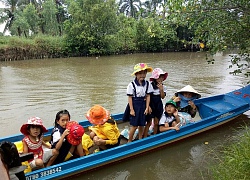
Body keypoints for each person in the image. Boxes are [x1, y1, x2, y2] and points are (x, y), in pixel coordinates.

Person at [122, 63, 153, 143]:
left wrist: (147, 107)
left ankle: (140, 138)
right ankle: (129, 141)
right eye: (140, 73)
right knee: (135, 125)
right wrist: (131, 109)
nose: (142, 75)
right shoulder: (131, 85)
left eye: (144, 73)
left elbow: (148, 96)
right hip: (135, 105)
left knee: (142, 123)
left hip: (143, 104)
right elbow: (130, 98)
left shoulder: (147, 84)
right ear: (136, 74)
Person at [144, 68, 168, 136]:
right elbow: (147, 96)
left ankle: (155, 135)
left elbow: (162, 97)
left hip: (158, 104)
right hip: (151, 104)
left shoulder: (163, 87)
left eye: (162, 77)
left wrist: (161, 90)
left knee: (156, 122)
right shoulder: (150, 85)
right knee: (149, 122)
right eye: (159, 77)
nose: (161, 79)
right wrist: (148, 106)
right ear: (155, 78)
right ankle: (144, 136)